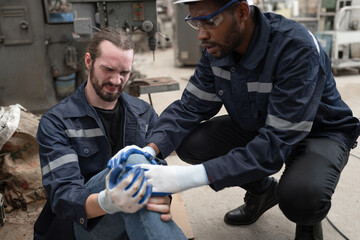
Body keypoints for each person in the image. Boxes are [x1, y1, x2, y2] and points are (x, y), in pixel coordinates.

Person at [114, 0, 360, 239]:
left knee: (301, 196)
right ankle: (262, 191)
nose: (201, 35)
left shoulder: (295, 47)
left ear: (242, 11)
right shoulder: (218, 48)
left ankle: (308, 221)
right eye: (195, 23)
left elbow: (275, 144)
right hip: (260, 124)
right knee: (190, 143)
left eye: (209, 21)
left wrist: (185, 178)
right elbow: (189, 107)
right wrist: (150, 148)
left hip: (319, 132)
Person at [33, 27, 186, 240]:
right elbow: (64, 197)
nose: (116, 81)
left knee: (141, 176)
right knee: (134, 161)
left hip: (129, 220)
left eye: (124, 72)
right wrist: (110, 201)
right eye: (108, 70)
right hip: (82, 225)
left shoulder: (143, 114)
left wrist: (162, 199)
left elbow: (158, 172)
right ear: (88, 61)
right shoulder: (57, 122)